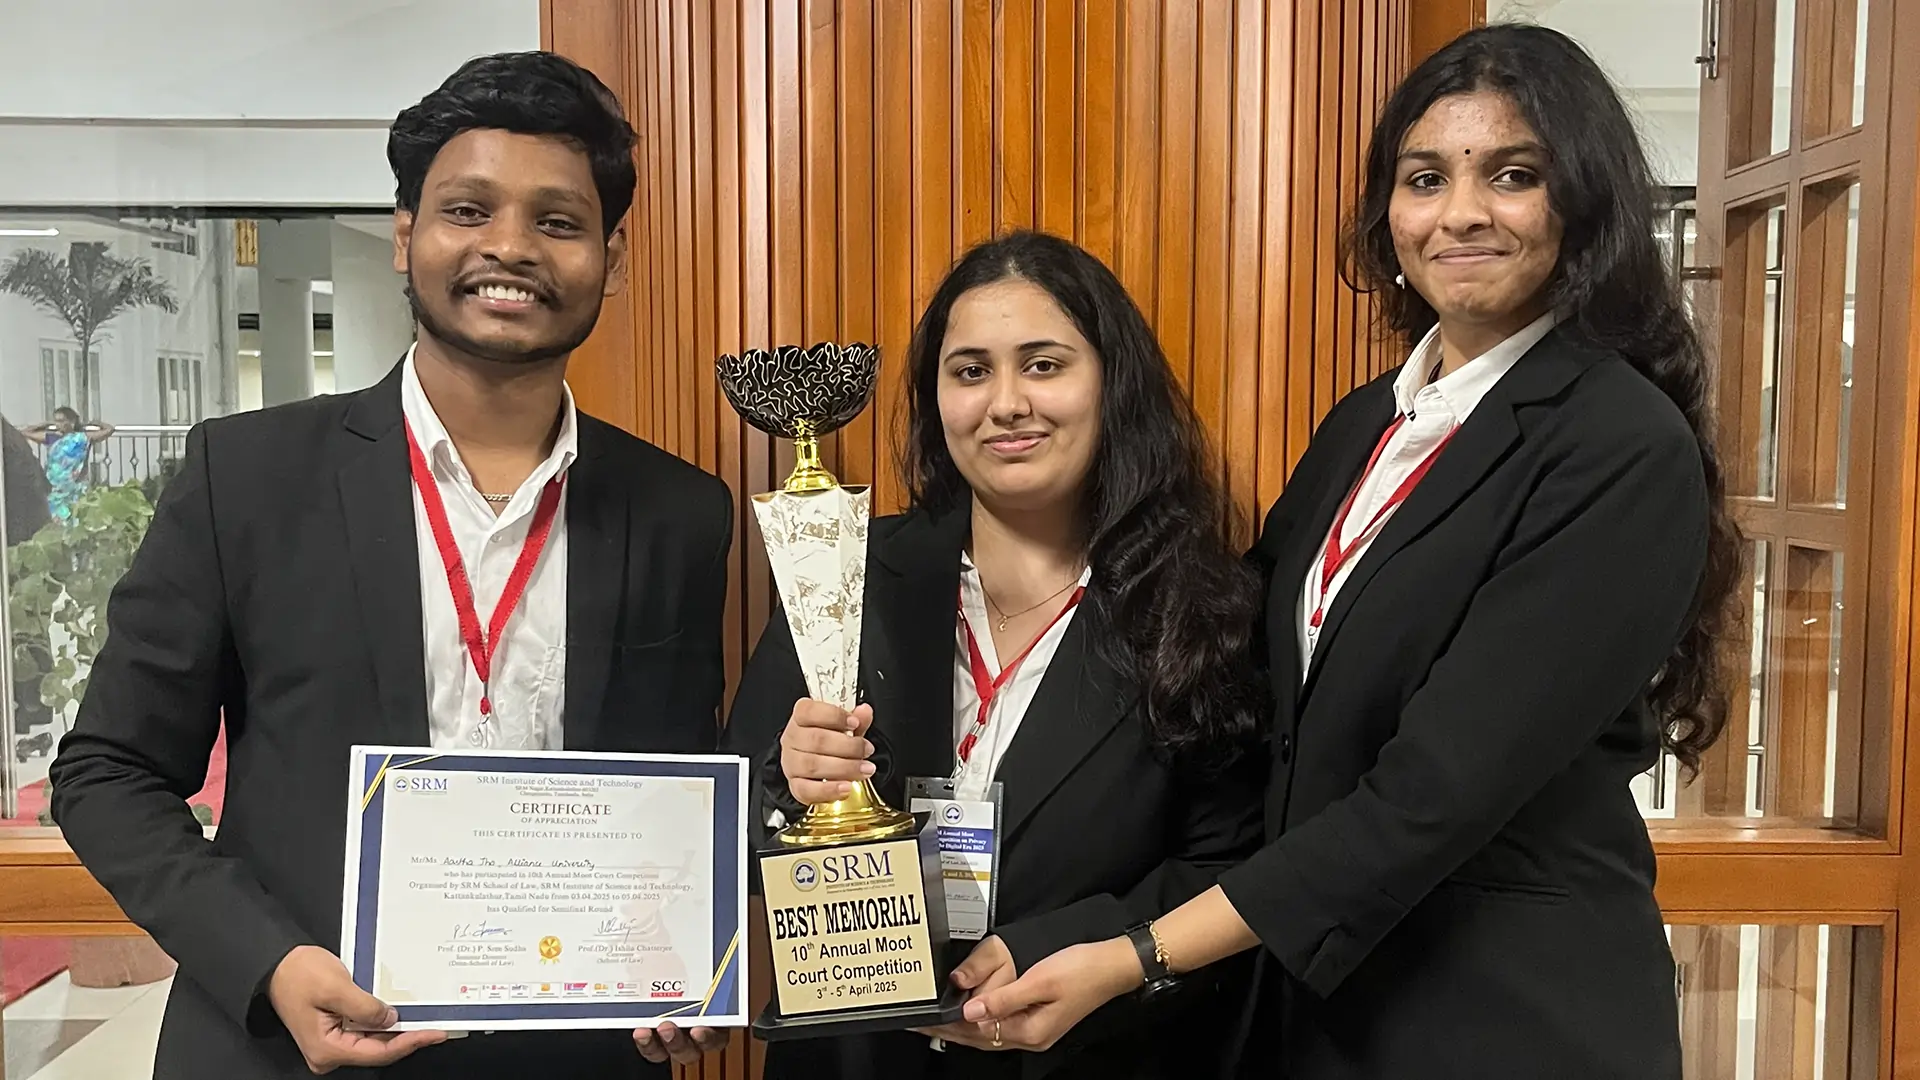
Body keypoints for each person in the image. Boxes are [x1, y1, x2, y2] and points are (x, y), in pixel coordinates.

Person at [957, 25, 1742, 1080]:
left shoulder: (1619, 447)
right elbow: (1243, 687)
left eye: (1513, 175)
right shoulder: (1367, 426)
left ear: (1584, 203)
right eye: (1426, 179)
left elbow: (1430, 797)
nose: (1461, 213)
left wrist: (1135, 953)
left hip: (1506, 1019)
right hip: (1324, 1011)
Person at [50, 52, 734, 1080]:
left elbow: (673, 787)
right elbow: (107, 771)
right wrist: (269, 961)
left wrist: (689, 958)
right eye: (468, 210)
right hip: (288, 1050)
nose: (511, 247)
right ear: (406, 234)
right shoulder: (249, 476)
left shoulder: (679, 511)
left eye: (557, 221)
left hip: (570, 1054)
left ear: (612, 258)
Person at [723, 230, 1267, 1080]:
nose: (1006, 403)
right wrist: (788, 788)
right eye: (971, 371)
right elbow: (737, 838)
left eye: (1044, 365)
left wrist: (1078, 946)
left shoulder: (1201, 609)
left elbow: (1230, 866)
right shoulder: (842, 568)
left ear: (1112, 384)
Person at [19, 406, 114, 524]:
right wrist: (43, 424)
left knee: (74, 517)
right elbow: (25, 433)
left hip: (74, 488)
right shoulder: (52, 438)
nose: (58, 424)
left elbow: (109, 429)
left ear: (71, 422)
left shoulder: (82, 438)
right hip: (55, 487)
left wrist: (96, 423)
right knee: (55, 519)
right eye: (56, 421)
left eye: (61, 421)